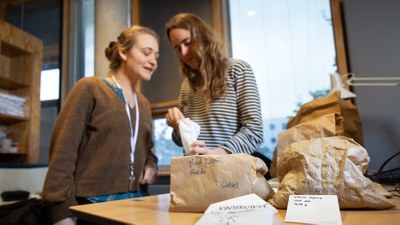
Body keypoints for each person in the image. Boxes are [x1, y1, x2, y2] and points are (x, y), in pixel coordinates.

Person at [42, 25, 160, 225]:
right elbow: (63, 152)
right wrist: (60, 212)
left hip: (137, 207)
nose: (153, 61)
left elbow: (147, 150)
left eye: (156, 56)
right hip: (90, 208)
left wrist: (151, 164)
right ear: (123, 52)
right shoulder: (90, 88)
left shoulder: (144, 104)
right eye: (146, 53)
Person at [165, 13, 263, 155]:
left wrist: (215, 154)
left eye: (187, 42)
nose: (184, 53)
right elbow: (181, 141)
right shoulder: (186, 85)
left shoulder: (237, 69)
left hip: (230, 173)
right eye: (178, 48)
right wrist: (177, 126)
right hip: (196, 173)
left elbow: (254, 132)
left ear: (203, 37)